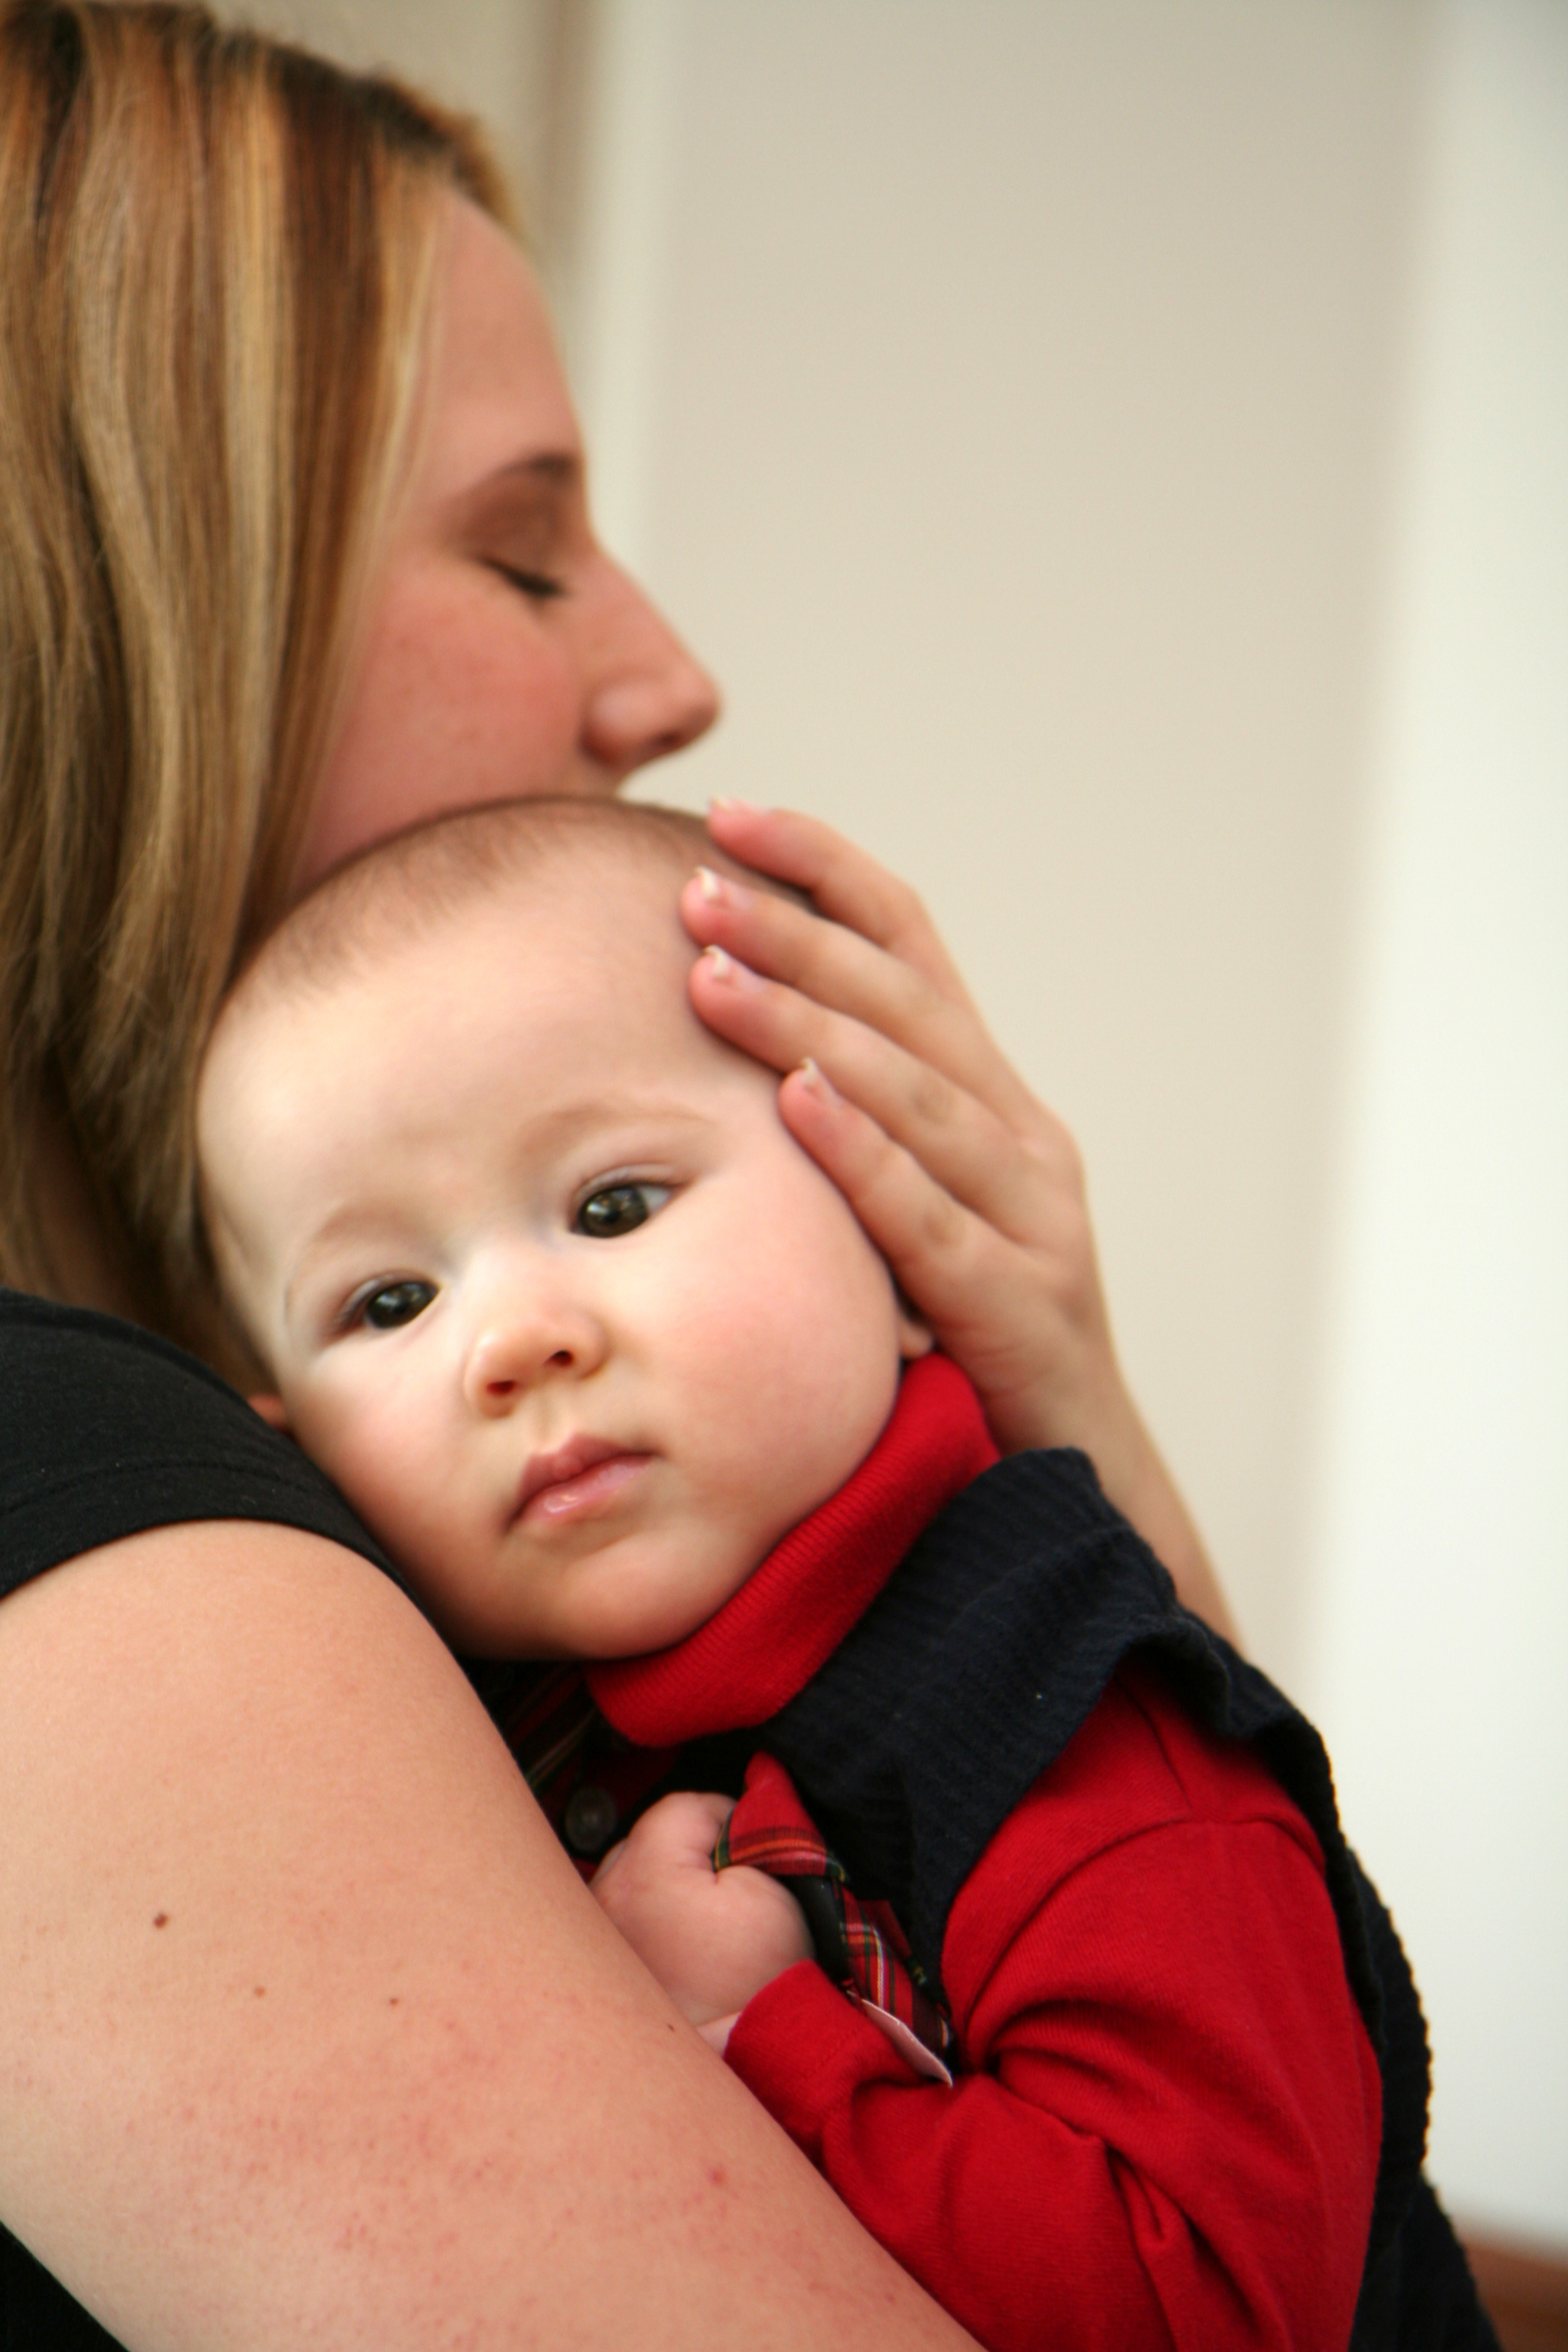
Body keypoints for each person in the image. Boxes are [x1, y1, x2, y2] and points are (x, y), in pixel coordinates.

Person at [0, 7, 1489, 2348]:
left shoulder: (772, 1609)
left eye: (613, 1202)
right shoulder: (86, 1504)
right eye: (519, 551)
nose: (671, 674)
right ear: (164, 619)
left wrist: (1051, 1394)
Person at [194, 792, 1387, 2352]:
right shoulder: (443, 1730)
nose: (511, 1341)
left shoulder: (1078, 1734)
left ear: (897, 1244)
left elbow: (1212, 2306)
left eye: (614, 1205)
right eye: (390, 1302)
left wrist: (749, 2030)